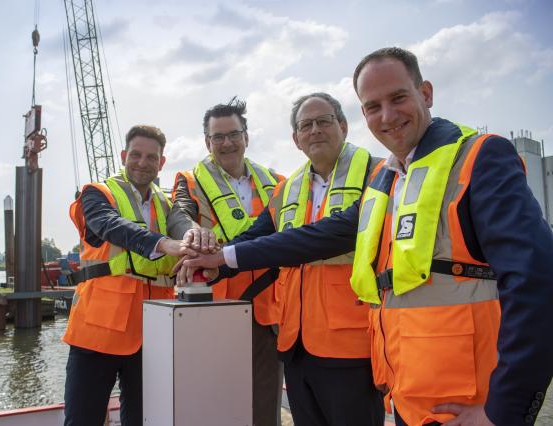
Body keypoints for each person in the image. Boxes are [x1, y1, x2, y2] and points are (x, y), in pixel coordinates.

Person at [178, 47, 553, 426]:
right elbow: (271, 237)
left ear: (426, 94)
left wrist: (505, 410)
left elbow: (536, 281)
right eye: (373, 106)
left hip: (437, 383)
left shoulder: (466, 160)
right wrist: (213, 263)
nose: (387, 116)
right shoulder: (385, 180)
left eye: (399, 98)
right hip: (391, 376)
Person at [183, 92, 384, 426]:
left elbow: (327, 235)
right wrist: (206, 268)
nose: (315, 130)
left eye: (324, 121)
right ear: (296, 139)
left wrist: (226, 256)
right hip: (295, 342)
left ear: (344, 126)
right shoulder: (288, 188)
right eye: (306, 125)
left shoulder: (377, 173)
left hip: (351, 344)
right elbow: (257, 234)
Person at [63, 125, 196, 426]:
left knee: (144, 419)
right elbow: (110, 224)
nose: (142, 162)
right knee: (84, 419)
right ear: (123, 156)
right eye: (135, 154)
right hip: (98, 332)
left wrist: (195, 241)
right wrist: (163, 244)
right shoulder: (98, 194)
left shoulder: (166, 202)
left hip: (154, 331)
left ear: (161, 163)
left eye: (151, 157)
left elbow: (182, 223)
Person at [167, 97, 284, 426]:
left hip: (267, 309)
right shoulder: (189, 181)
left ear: (246, 136)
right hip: (215, 308)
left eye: (233, 134)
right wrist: (193, 234)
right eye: (217, 137)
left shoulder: (279, 182)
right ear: (207, 142)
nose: (227, 143)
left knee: (264, 404)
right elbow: (179, 213)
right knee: (214, 401)